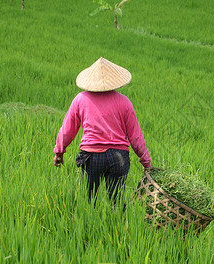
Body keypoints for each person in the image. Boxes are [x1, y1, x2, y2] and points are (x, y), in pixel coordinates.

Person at [53, 57, 151, 204]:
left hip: (91, 157)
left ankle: (90, 224)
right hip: (118, 158)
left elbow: (67, 129)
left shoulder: (80, 99)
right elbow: (135, 136)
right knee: (116, 202)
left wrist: (59, 152)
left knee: (89, 202)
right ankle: (117, 224)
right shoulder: (124, 102)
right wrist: (146, 162)